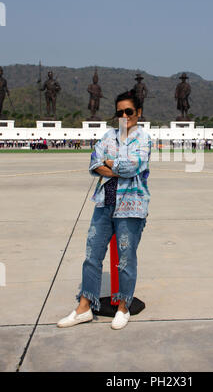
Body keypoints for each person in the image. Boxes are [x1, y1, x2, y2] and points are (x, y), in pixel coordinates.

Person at [57, 89, 151, 330]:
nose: (124, 116)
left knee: (126, 259)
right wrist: (113, 164)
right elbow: (94, 161)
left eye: (129, 111)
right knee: (92, 255)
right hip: (105, 201)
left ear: (138, 113)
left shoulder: (143, 138)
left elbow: (134, 165)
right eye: (119, 112)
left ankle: (123, 306)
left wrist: (110, 163)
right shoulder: (109, 135)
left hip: (130, 205)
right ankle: (84, 307)